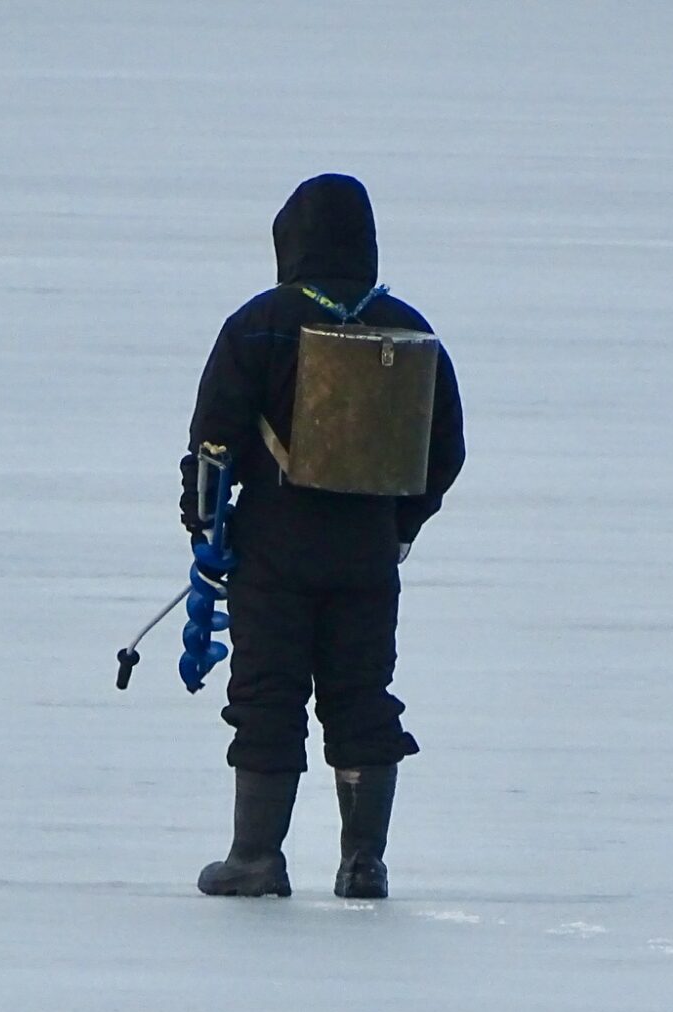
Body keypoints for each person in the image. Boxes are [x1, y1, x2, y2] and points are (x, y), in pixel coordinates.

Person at [179, 173, 465, 899]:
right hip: (367, 556)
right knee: (362, 695)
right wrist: (400, 525)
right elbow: (447, 449)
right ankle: (362, 861)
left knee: (269, 695)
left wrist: (204, 527)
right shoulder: (411, 328)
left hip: (274, 549)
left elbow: (215, 443)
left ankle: (256, 857)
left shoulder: (260, 324)